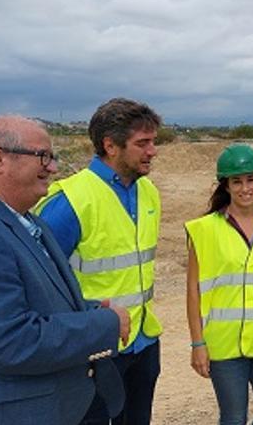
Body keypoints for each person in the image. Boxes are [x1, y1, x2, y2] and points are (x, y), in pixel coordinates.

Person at [0, 116, 128, 425]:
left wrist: (87, 311)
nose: (53, 167)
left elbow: (32, 303)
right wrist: (103, 324)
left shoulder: (25, 221)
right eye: (43, 156)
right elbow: (9, 341)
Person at [37, 98, 163, 425]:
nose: (153, 151)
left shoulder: (148, 191)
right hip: (95, 348)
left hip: (143, 341)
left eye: (154, 142)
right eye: (142, 143)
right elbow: (39, 282)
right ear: (110, 145)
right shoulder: (70, 202)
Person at [185, 144, 253, 425]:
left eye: (251, 179)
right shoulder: (203, 229)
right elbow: (193, 292)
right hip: (223, 344)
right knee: (233, 418)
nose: (245, 188)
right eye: (237, 181)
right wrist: (198, 343)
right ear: (226, 186)